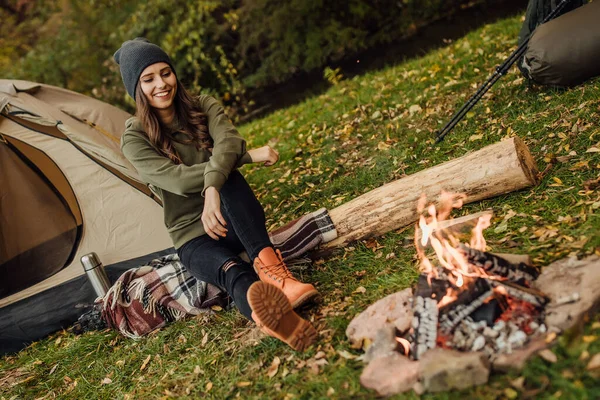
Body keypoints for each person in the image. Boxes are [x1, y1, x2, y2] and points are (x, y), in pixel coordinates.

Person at [114, 38, 319, 351]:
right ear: (136, 88)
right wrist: (246, 157)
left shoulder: (204, 105)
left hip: (233, 218)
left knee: (228, 180)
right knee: (232, 272)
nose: (161, 84)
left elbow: (229, 143)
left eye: (165, 73)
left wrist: (213, 187)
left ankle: (276, 274)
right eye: (148, 79)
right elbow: (178, 181)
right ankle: (276, 320)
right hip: (192, 237)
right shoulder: (134, 138)